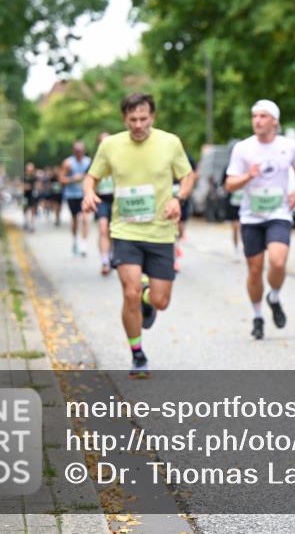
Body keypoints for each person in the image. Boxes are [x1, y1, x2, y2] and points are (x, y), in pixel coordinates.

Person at [83, 92, 194, 378]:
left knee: (161, 301)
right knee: (129, 292)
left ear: (152, 117)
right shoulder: (110, 145)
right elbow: (92, 175)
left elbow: (188, 176)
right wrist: (88, 193)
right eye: (132, 119)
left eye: (143, 118)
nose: (138, 125)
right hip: (125, 230)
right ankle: (138, 355)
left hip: (160, 231)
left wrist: (178, 199)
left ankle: (148, 299)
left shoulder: (170, 143)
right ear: (124, 119)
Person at [224, 100, 295, 340]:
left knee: (278, 263)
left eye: (263, 116)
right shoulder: (243, 149)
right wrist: (248, 175)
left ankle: (275, 296)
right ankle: (258, 315)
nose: (257, 120)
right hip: (251, 216)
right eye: (254, 116)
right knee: (255, 269)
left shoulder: (288, 146)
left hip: (279, 213)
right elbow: (229, 184)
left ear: (274, 121)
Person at [61, 141, 91, 256]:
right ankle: (74, 240)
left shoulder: (89, 162)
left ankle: (84, 245)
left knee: (84, 218)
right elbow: (62, 179)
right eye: (77, 151)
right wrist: (73, 179)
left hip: (84, 194)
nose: (80, 153)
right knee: (75, 220)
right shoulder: (68, 163)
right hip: (71, 195)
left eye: (81, 151)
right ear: (73, 151)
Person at [94, 133, 115, 275]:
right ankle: (105, 261)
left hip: (118, 201)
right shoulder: (95, 161)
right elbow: (89, 180)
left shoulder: (121, 158)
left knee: (113, 232)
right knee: (103, 229)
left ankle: (111, 254)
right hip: (102, 200)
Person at [22, 162, 38, 232]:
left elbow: (37, 185)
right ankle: (26, 220)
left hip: (32, 195)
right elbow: (21, 185)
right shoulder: (24, 176)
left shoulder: (34, 177)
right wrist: (25, 187)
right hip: (25, 195)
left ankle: (32, 224)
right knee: (25, 209)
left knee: (33, 209)